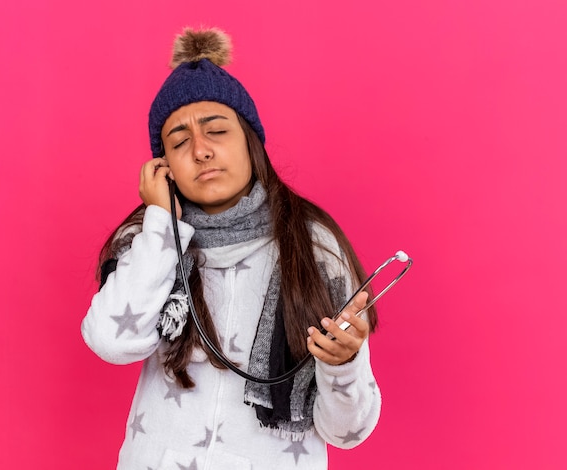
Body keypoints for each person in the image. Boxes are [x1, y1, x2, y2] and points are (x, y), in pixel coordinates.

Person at [82, 27, 381, 470]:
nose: (201, 150)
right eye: (180, 142)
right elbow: (111, 341)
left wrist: (343, 364)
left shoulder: (315, 247)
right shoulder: (147, 241)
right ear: (162, 167)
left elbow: (346, 433)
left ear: (250, 141)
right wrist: (163, 225)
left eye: (216, 131)